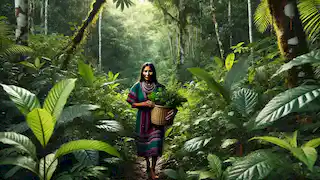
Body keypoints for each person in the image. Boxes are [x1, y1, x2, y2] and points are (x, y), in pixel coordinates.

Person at [127, 62, 176, 180]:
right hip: (143, 120)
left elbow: (170, 103)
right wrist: (143, 103)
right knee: (145, 146)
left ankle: (153, 169)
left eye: (150, 71)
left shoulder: (160, 87)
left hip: (156, 121)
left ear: (153, 72)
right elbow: (132, 103)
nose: (147, 74)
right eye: (145, 71)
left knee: (156, 142)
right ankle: (147, 165)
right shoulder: (137, 86)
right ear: (142, 72)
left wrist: (173, 111)